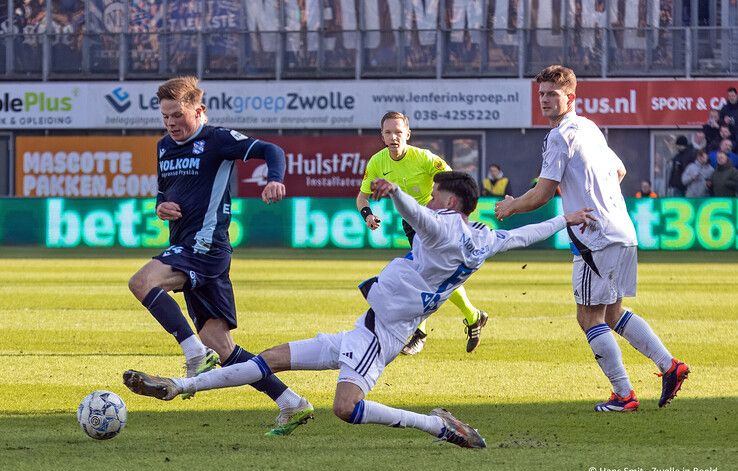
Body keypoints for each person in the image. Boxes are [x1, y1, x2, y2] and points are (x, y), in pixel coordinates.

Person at [123, 171, 596, 448]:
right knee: (267, 359)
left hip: (381, 336)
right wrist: (565, 218)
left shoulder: (446, 228)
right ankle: (179, 386)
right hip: (364, 328)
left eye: (435, 193)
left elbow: (422, 216)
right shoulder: (484, 238)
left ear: (451, 200)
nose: (431, 198)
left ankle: (438, 427)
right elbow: (523, 236)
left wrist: (397, 196)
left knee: (345, 409)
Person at [495, 65, 689, 412]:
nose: (544, 100)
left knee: (588, 317)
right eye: (541, 94)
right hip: (622, 230)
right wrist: (598, 194)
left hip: (594, 236)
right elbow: (619, 170)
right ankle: (670, 366)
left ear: (570, 97)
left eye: (552, 94)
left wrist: (510, 207)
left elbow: (541, 194)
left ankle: (624, 394)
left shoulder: (559, 135)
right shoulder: (589, 127)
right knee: (612, 312)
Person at [127, 76, 313, 436]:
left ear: (199, 111)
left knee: (141, 282)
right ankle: (291, 402)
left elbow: (272, 150)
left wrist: (273, 179)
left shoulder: (217, 139)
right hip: (188, 244)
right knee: (223, 348)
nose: (171, 124)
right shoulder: (164, 146)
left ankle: (194, 355)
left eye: (177, 115)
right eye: (165, 117)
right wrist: (160, 206)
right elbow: (164, 191)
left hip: (206, 246)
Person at [356, 111, 487, 356]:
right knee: (431, 273)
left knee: (425, 273)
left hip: (435, 219)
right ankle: (473, 316)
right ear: (382, 136)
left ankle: (421, 333)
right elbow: (362, 197)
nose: (393, 137)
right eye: (388, 132)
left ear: (407, 134)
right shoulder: (377, 162)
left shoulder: (425, 158)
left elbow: (453, 181)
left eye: (398, 132)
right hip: (411, 222)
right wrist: (368, 215)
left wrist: (443, 206)